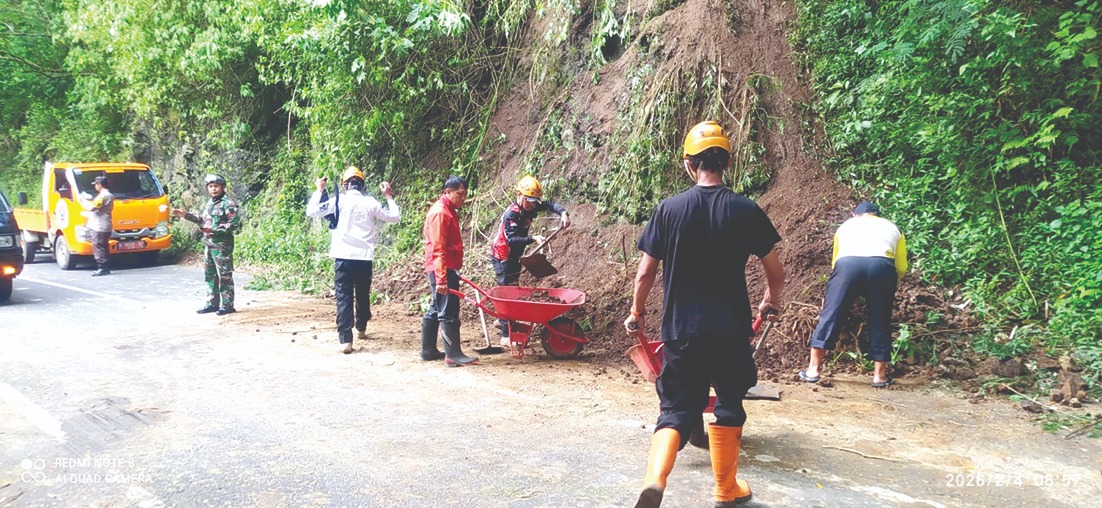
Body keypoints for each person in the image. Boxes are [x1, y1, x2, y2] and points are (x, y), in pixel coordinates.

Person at [624, 121, 785, 508]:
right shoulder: (745, 209)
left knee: (677, 408)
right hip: (730, 329)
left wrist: (636, 311)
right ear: (727, 161)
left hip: (681, 329)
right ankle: (725, 490)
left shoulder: (669, 209)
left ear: (689, 164)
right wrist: (770, 300)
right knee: (729, 402)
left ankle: (655, 481)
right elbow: (775, 271)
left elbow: (646, 272)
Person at [799, 201, 907, 388]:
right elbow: (901, 267)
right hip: (882, 266)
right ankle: (879, 376)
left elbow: (835, 262)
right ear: (877, 215)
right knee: (880, 319)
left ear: (856, 215)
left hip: (848, 266)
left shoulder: (846, 226)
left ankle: (813, 370)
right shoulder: (893, 228)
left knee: (831, 315)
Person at [306, 166, 400, 354]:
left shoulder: (337, 201)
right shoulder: (371, 202)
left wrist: (319, 190)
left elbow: (312, 211)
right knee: (363, 294)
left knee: (344, 297)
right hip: (364, 258)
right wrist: (389, 196)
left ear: (345, 185)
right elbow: (394, 217)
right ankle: (361, 328)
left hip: (343, 258)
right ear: (362, 185)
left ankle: (345, 340)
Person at [489, 176, 570, 346]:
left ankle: (503, 321)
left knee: (513, 288)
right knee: (507, 294)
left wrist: (563, 213)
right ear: (519, 195)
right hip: (503, 256)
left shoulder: (531, 205)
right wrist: (532, 238)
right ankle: (506, 335)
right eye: (529, 201)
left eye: (534, 201)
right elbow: (511, 239)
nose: (533, 205)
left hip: (515, 256)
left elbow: (549, 204)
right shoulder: (512, 214)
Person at [420, 175, 478, 367]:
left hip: (445, 267)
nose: (463, 198)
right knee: (448, 309)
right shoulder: (440, 213)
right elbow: (438, 248)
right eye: (460, 194)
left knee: (437, 307)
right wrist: (442, 278)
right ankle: (453, 354)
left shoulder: (448, 210)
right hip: (442, 268)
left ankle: (428, 350)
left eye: (465, 195)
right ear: (447, 192)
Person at [171, 174, 241, 316]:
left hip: (222, 245)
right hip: (208, 244)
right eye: (210, 186)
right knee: (210, 275)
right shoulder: (210, 203)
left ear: (222, 187)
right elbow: (202, 220)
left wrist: (214, 230)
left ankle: (227, 305)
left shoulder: (228, 204)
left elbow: (234, 225)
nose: (213, 189)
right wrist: (185, 215)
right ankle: (212, 303)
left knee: (224, 275)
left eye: (216, 186)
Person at [81, 176, 114, 276]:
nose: (95, 186)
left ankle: (102, 267)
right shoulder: (108, 195)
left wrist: (82, 200)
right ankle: (105, 267)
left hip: (100, 225)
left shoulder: (103, 196)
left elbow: (92, 207)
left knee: (98, 245)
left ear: (99, 185)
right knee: (103, 246)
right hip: (105, 224)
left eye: (95, 184)